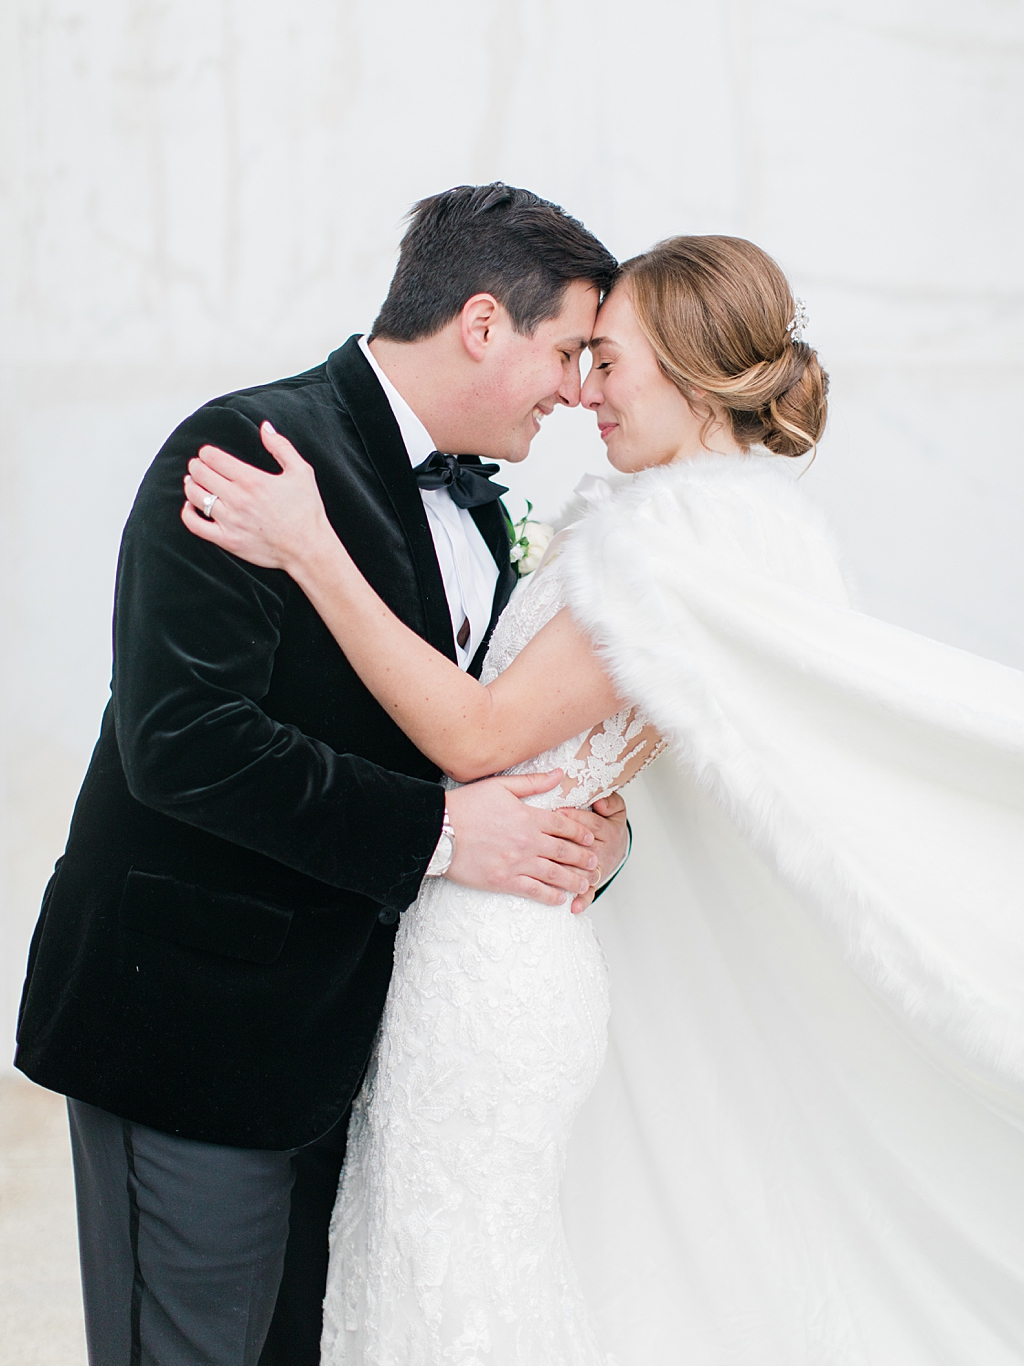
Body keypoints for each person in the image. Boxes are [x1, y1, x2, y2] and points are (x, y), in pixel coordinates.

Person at [184, 234, 1024, 1364]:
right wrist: (610, 816)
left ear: (683, 370)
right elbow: (633, 745)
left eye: (607, 361)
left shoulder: (667, 546)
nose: (584, 392)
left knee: (461, 1280)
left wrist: (310, 546)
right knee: (449, 1263)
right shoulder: (712, 532)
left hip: (498, 965)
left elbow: (475, 734)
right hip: (491, 933)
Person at [14, 183, 631, 1366]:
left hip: (369, 1056)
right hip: (199, 1030)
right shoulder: (250, 451)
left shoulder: (487, 505)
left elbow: (500, 731)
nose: (575, 389)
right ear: (484, 323)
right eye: (566, 352)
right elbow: (186, 742)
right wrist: (447, 834)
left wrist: (599, 838)